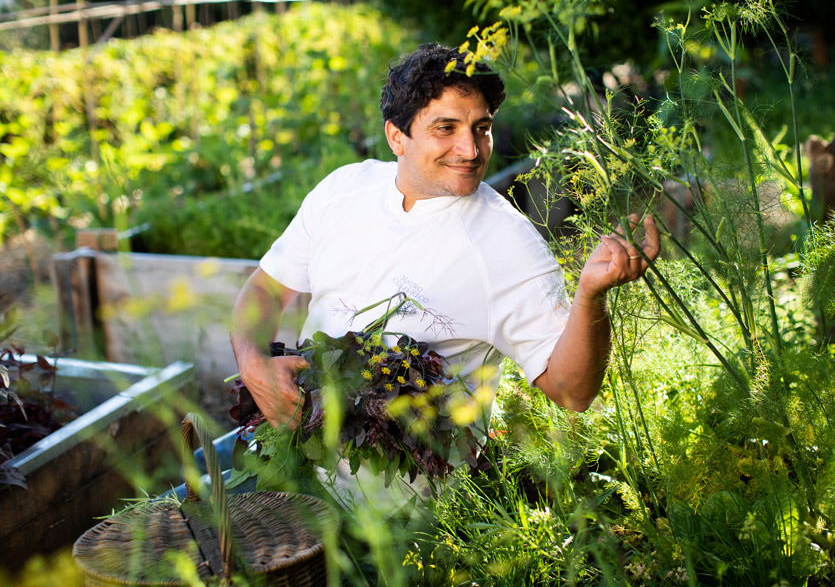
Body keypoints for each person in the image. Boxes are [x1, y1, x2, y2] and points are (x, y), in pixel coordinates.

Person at [229, 43, 660, 436]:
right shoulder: (344, 189)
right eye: (446, 128)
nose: (471, 150)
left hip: (404, 510)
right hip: (296, 464)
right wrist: (253, 364)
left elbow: (572, 392)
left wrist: (590, 296)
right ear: (397, 136)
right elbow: (267, 288)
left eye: (481, 128)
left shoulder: (507, 243)